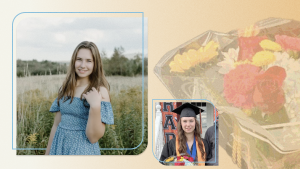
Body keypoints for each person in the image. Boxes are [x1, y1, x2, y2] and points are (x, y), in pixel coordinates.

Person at [45, 41, 114, 155]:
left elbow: (93, 138)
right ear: (73, 61)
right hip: (59, 148)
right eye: (79, 59)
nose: (82, 65)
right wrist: (47, 156)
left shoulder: (99, 91)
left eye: (89, 61)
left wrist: (95, 106)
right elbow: (56, 125)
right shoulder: (65, 88)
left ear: (95, 64)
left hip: (82, 151)